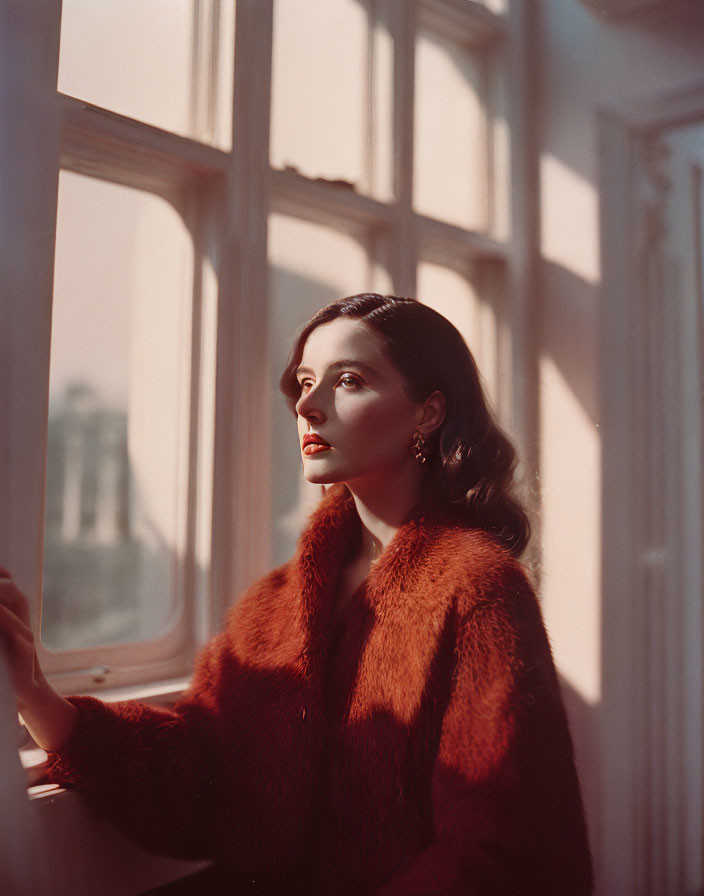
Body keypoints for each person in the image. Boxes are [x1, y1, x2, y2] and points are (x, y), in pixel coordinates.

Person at [0, 293, 593, 894]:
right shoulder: (272, 607)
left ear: (428, 412)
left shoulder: (477, 589)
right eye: (305, 381)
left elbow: (505, 853)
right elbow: (200, 781)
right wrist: (34, 693)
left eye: (349, 381)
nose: (308, 405)